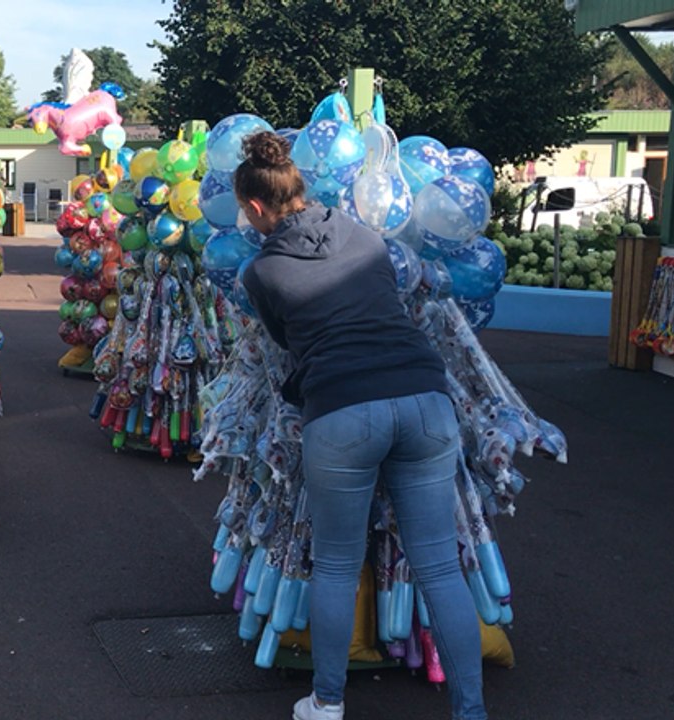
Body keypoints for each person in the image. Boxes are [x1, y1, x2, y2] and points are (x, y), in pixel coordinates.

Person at [234, 132, 487, 720]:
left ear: (256, 207)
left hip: (342, 410)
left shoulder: (263, 271)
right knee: (440, 568)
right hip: (424, 397)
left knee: (337, 566)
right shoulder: (367, 236)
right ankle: (471, 712)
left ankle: (327, 702)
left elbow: (288, 343)